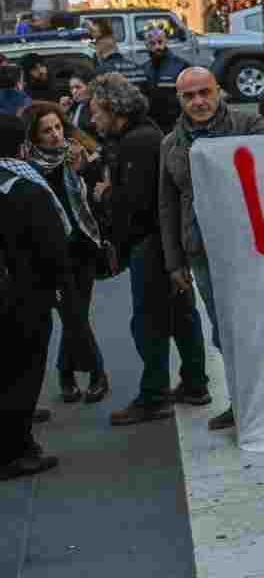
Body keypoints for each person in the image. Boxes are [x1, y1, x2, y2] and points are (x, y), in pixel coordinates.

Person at [90, 73, 209, 426]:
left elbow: (140, 203)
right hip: (165, 243)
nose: (93, 120)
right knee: (181, 316)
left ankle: (155, 395)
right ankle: (194, 383)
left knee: (150, 322)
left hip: (152, 245)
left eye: (97, 112)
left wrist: (105, 194)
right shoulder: (144, 135)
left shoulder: (138, 142)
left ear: (115, 109)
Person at [159, 67, 264, 431]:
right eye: (189, 96)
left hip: (251, 248)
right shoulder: (171, 144)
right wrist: (175, 261)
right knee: (224, 331)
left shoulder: (248, 126)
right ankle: (242, 402)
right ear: (179, 100)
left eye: (204, 92)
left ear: (219, 91)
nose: (198, 102)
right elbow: (168, 205)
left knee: (257, 325)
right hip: (203, 251)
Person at [23, 102, 110, 404]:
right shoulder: (29, 167)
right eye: (47, 131)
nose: (56, 135)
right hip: (52, 251)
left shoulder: (77, 153)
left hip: (83, 245)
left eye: (58, 127)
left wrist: (83, 168)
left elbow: (98, 193)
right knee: (73, 315)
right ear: (33, 137)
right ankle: (92, 374)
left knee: (76, 315)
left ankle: (71, 373)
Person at [0, 113, 70, 480]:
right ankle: (15, 451)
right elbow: (53, 246)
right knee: (23, 375)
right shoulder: (25, 187)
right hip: (25, 297)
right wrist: (62, 285)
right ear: (23, 146)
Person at [142, 29, 191, 134]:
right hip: (153, 127)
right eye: (152, 43)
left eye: (160, 42)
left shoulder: (181, 65)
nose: (157, 47)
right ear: (146, 45)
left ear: (166, 42)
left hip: (177, 126)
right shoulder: (144, 68)